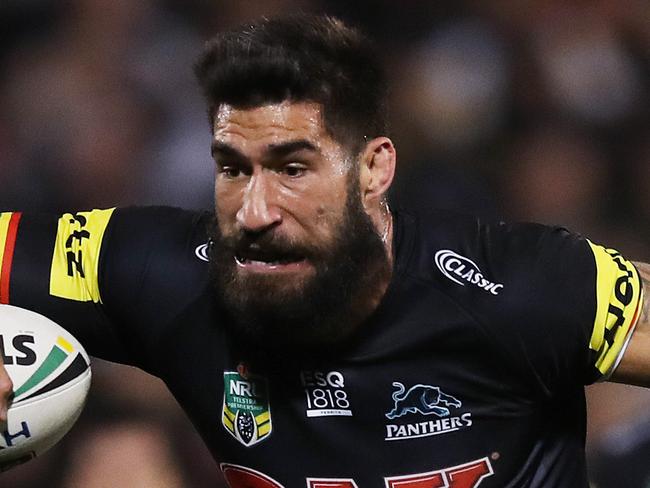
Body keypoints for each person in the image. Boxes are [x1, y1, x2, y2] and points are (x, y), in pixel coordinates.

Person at [0, 14, 649, 487]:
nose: (253, 211)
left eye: (293, 168)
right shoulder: (160, 272)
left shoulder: (520, 287)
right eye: (231, 168)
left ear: (374, 169)